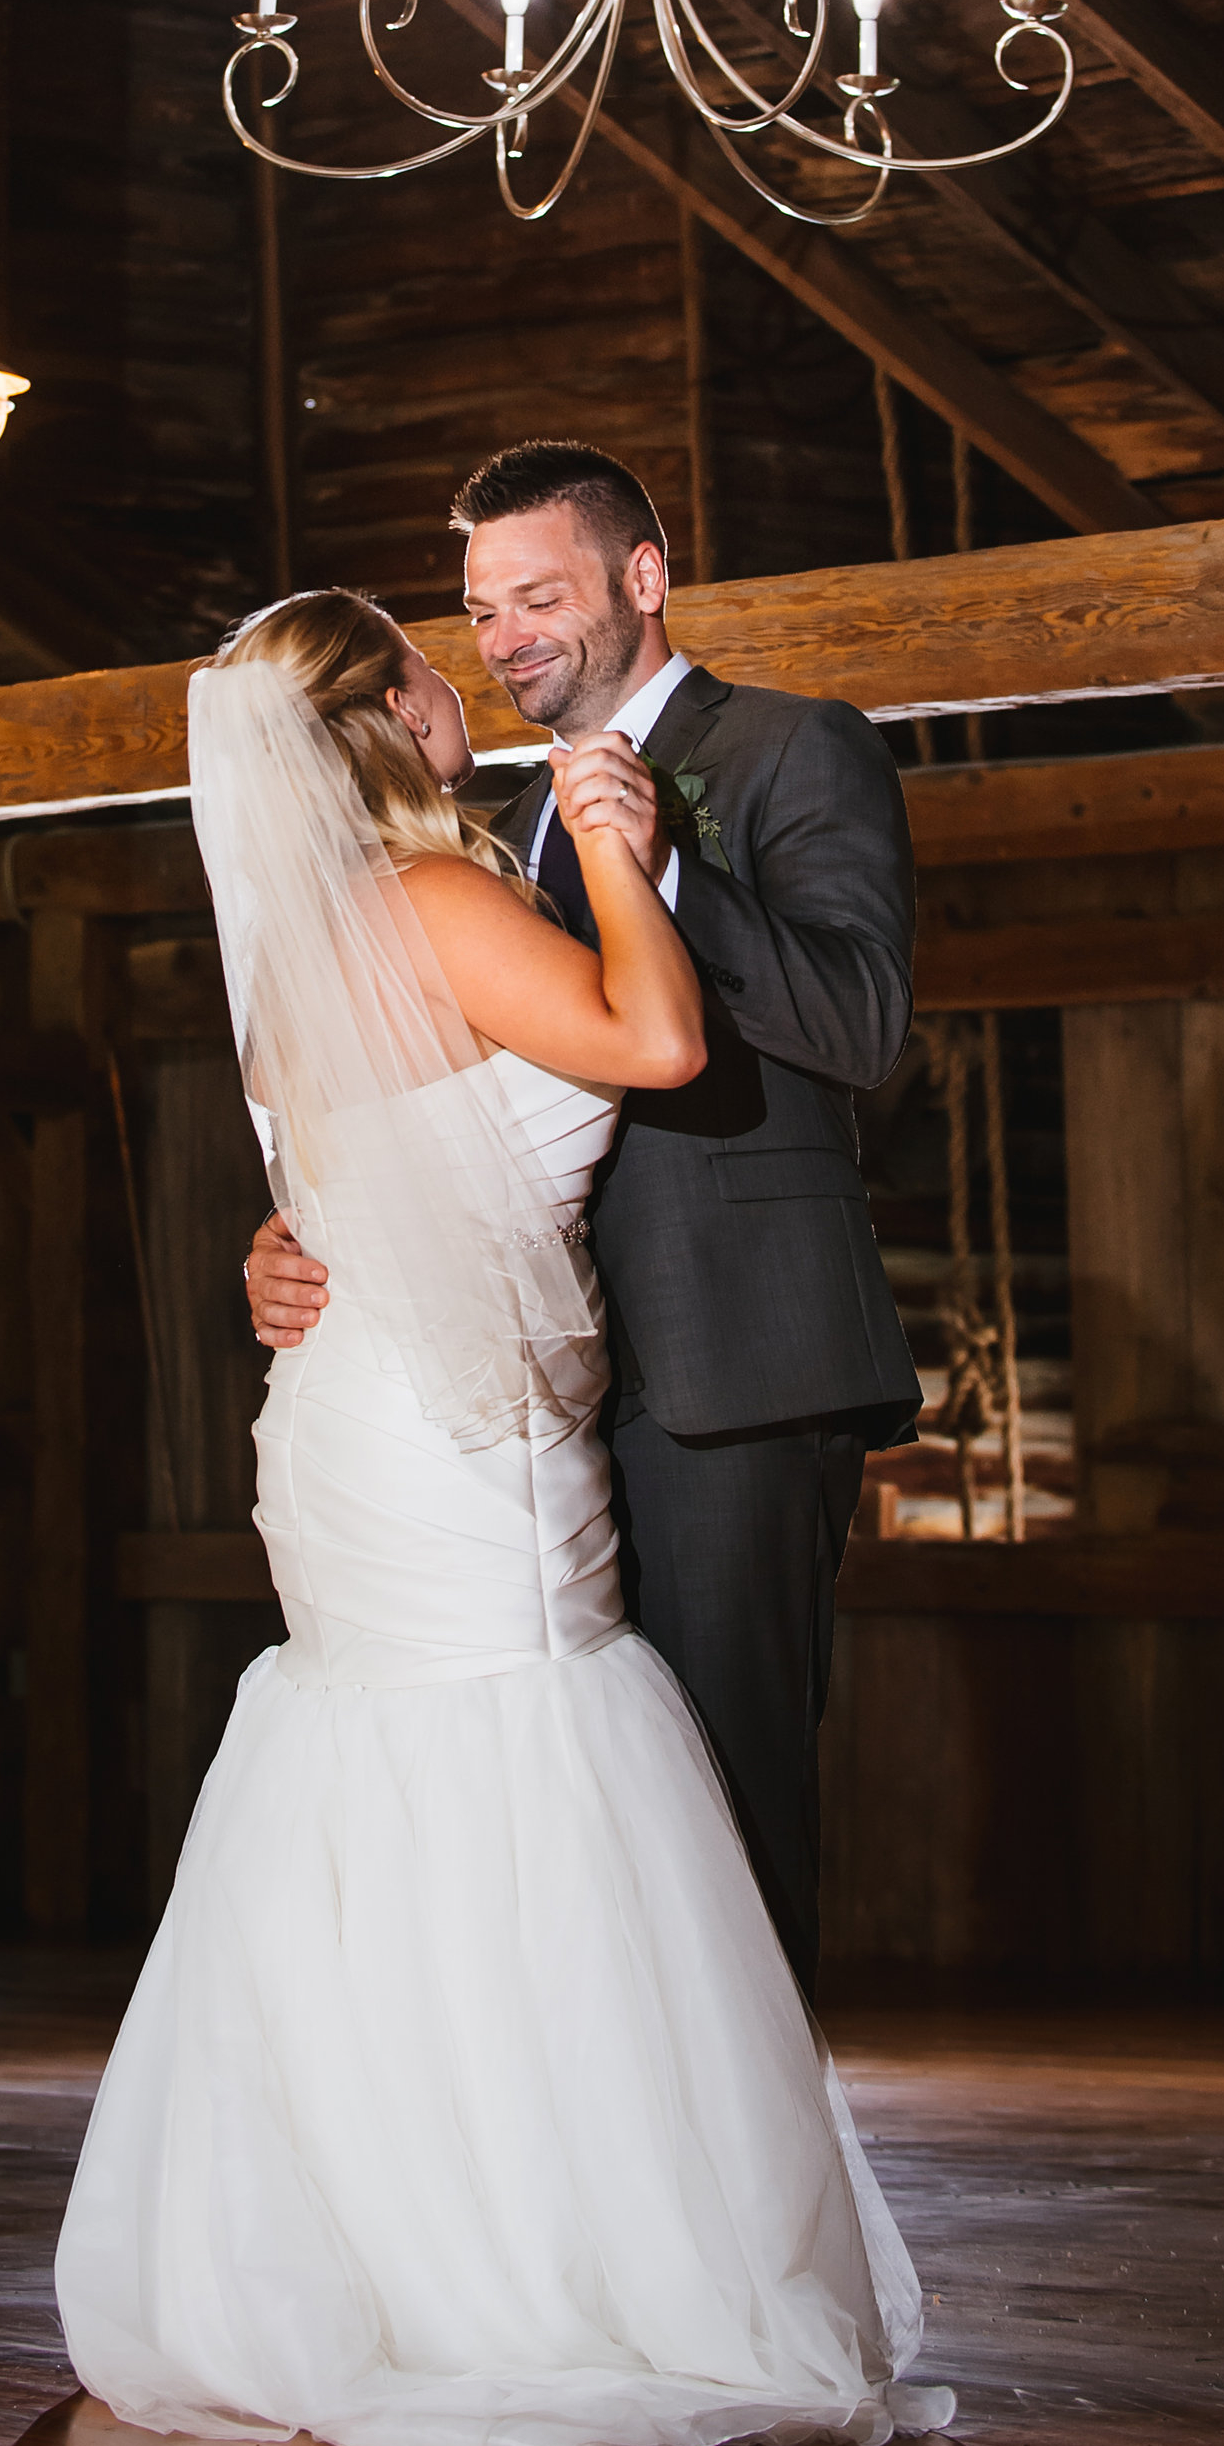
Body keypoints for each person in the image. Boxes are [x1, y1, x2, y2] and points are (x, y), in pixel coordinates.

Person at [55, 590, 949, 2446]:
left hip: (364, 1419)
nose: (463, 676)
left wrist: (275, 1254)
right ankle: (538, 2269)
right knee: (527, 1771)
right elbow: (649, 1037)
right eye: (431, 656)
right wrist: (626, 861)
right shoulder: (442, 905)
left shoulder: (304, 940)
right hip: (456, 1441)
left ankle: (376, 2252)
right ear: (388, 716)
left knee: (391, 1790)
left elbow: (348, 1172)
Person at [245, 441, 920, 1994]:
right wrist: (303, 1237)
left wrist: (667, 868)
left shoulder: (788, 751)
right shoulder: (464, 839)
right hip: (519, 1411)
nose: (506, 641)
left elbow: (868, 1021)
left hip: (728, 1368)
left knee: (725, 1828)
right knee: (583, 1831)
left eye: (538, 597)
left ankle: (749, 2204)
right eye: (479, 613)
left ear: (644, 575)